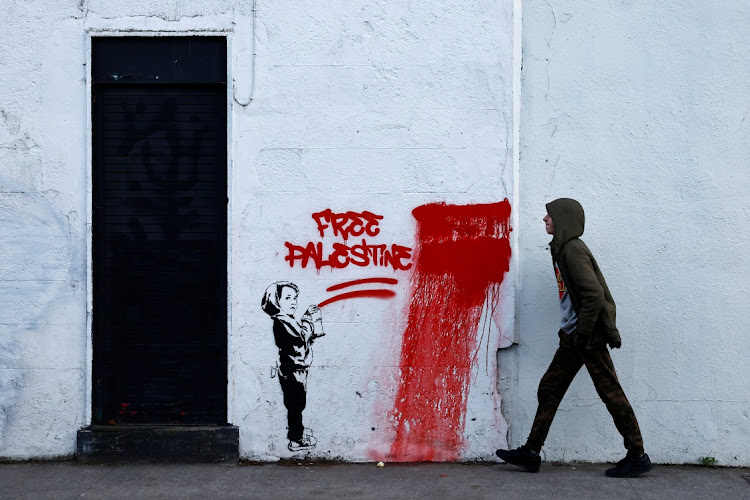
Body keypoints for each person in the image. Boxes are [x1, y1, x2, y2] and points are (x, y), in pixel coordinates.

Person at [496, 198, 652, 478]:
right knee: (550, 388)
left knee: (610, 393)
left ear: (563, 219)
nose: (545, 219)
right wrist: (572, 332)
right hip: (574, 336)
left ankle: (637, 455)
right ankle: (531, 452)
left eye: (550, 215)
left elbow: (593, 295)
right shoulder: (561, 248)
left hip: (586, 337)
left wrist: (582, 333)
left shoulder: (572, 250)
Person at [261, 281, 324, 452]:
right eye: (288, 298)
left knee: (297, 404)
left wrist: (305, 319)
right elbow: (301, 335)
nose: (293, 302)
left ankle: (298, 433)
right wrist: (308, 320)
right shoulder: (282, 321)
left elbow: (300, 334)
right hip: (293, 370)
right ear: (276, 301)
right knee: (296, 405)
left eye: (295, 298)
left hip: (296, 369)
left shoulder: (288, 320)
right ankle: (296, 439)